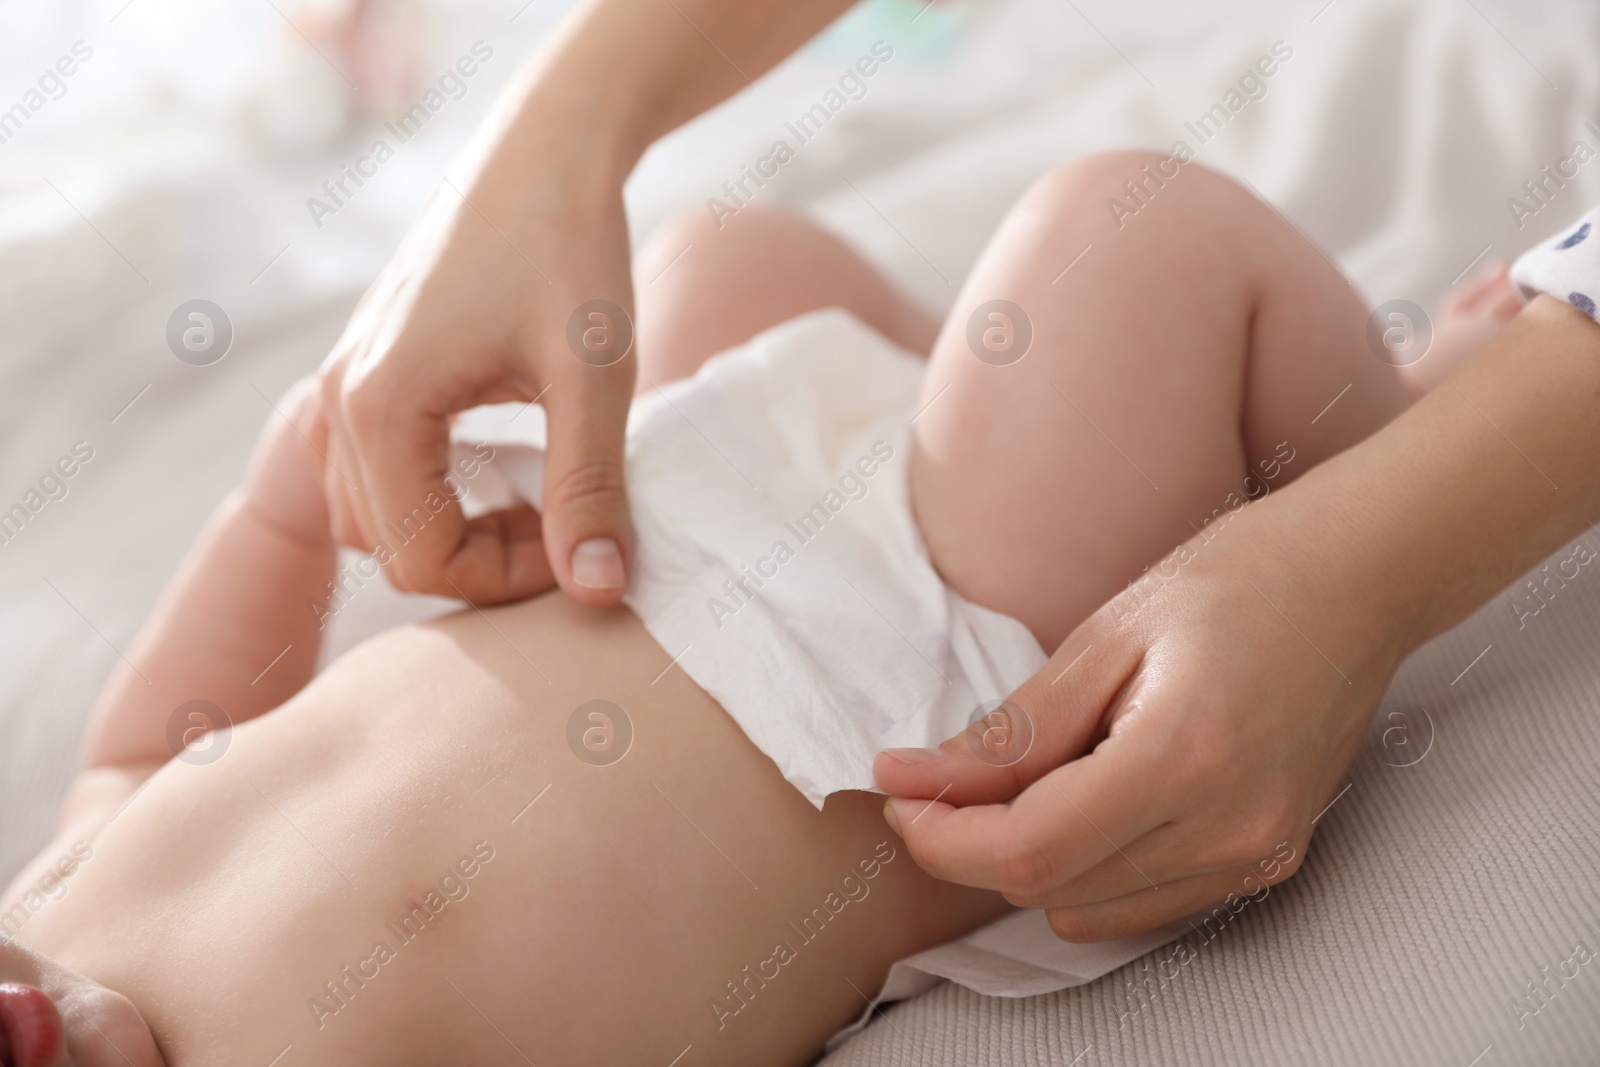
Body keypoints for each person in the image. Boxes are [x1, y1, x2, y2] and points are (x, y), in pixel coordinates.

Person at [5, 146, 1585, 1066]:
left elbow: (145, 751)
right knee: (1132, 229)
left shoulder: (45, 914)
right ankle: (1399, 417)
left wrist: (283, 496)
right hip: (926, 689)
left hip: (684, 532)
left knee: (721, 255)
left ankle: (1006, 421)